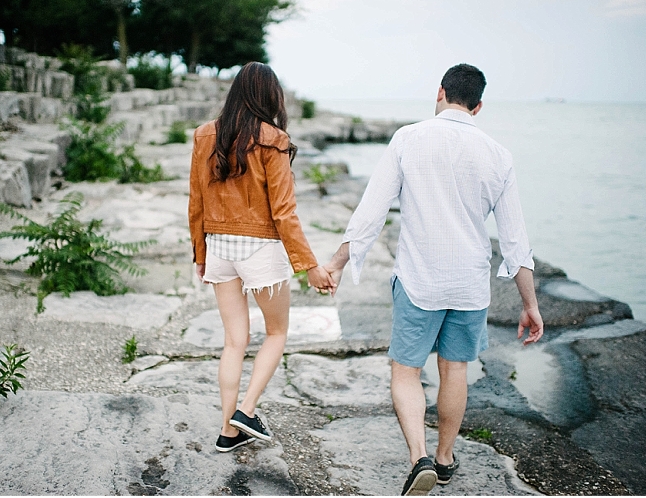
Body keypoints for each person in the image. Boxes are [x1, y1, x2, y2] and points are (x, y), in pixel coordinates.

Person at [323, 63, 544, 495]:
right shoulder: (499, 155)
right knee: (454, 369)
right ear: (478, 106)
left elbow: (372, 211)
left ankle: (418, 457)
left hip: (419, 280)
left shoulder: (409, 138)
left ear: (440, 92)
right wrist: (530, 305)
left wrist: (336, 263)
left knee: (405, 370)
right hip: (469, 285)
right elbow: (516, 241)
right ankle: (444, 460)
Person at [188, 62, 335, 454]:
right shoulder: (274, 140)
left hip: (219, 248)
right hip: (259, 251)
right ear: (271, 96)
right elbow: (284, 212)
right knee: (276, 333)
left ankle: (227, 432)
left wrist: (200, 254)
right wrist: (310, 267)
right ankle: (246, 411)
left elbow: (196, 203)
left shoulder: (206, 135)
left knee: (234, 341)